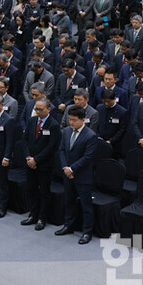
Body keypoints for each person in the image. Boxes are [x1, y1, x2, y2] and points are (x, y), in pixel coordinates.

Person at [55, 105, 98, 244]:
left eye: (74, 120)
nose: (71, 122)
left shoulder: (90, 135)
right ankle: (69, 225)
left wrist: (72, 169)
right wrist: (65, 168)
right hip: (67, 174)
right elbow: (61, 150)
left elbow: (88, 157)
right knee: (69, 202)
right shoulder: (67, 131)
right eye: (70, 119)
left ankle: (87, 232)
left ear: (83, 120)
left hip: (83, 176)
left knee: (86, 206)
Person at [21, 98, 60, 231]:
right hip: (30, 162)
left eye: (41, 109)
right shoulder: (32, 121)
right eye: (36, 109)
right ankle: (33, 214)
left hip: (44, 165)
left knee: (44, 192)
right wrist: (28, 157)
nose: (38, 111)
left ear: (49, 109)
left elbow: (51, 147)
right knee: (31, 189)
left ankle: (42, 218)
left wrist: (36, 160)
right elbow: (25, 140)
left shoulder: (53, 125)